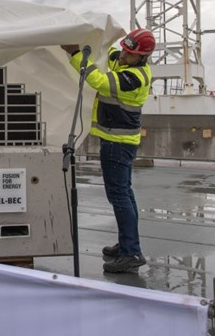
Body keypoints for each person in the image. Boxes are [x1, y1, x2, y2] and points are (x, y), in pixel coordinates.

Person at [61, 28, 155, 274]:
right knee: (125, 194)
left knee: (119, 196)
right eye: (124, 49)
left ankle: (131, 252)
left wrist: (74, 54)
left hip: (118, 144)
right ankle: (127, 243)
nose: (123, 55)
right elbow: (110, 54)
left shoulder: (134, 77)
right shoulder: (125, 64)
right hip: (117, 142)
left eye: (130, 53)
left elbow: (99, 81)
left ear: (142, 57)